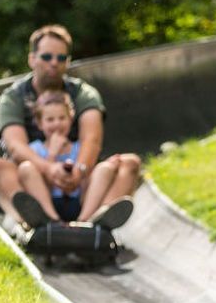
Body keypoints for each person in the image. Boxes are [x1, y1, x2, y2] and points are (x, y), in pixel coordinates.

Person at [0, 24, 140, 229]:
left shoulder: (83, 93)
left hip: (79, 183)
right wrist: (49, 169)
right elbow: (15, 146)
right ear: (32, 59)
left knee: (130, 163)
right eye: (47, 57)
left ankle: (96, 221)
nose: (54, 64)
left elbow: (91, 139)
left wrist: (79, 171)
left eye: (61, 58)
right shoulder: (13, 98)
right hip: (36, 181)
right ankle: (31, 221)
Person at [16, 90, 132, 225]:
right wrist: (52, 155)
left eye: (61, 118)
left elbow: (87, 180)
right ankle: (51, 219)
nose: (57, 124)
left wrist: (79, 174)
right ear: (40, 123)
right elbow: (40, 183)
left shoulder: (80, 148)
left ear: (70, 119)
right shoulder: (35, 149)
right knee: (26, 168)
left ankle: (85, 221)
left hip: (78, 202)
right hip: (50, 201)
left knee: (105, 168)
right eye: (50, 119)